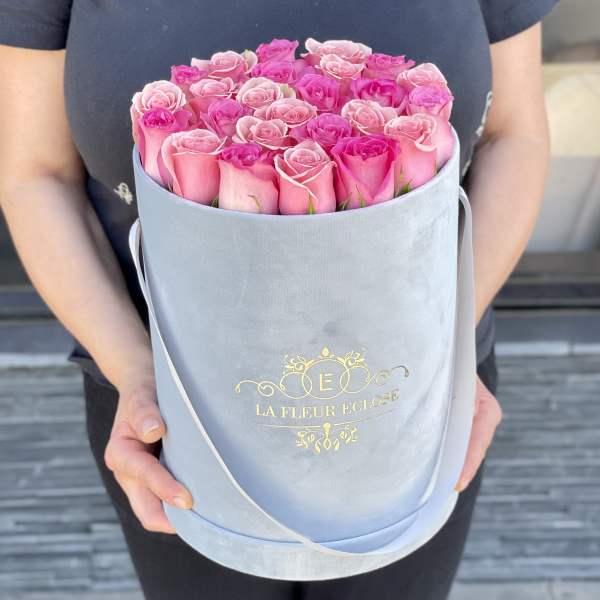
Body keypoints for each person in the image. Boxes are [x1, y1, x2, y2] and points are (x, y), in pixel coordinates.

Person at [0, 1, 555, 598]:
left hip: (420, 392)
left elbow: (514, 135)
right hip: (171, 405)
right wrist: (136, 375)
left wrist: (447, 353)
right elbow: (35, 175)